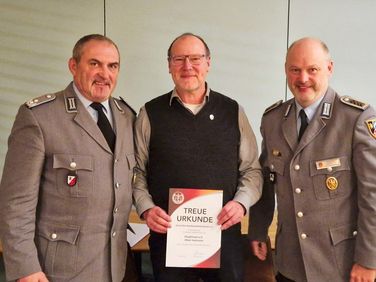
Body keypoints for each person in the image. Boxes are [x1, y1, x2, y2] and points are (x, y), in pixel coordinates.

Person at [0, 34, 138, 282]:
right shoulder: (40, 117)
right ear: (73, 66)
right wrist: (25, 268)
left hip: (117, 267)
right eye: (94, 63)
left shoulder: (127, 117)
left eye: (112, 66)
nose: (104, 74)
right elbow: (15, 203)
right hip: (58, 270)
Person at [132, 32, 263, 282]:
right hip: (169, 242)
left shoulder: (233, 111)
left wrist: (241, 203)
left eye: (195, 58)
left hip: (224, 240)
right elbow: (137, 172)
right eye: (179, 59)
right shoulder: (149, 113)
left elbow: (252, 170)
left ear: (208, 63)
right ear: (169, 65)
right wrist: (146, 209)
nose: (187, 66)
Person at [248, 37, 376, 282]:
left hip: (341, 265)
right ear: (286, 71)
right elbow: (266, 179)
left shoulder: (355, 119)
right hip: (290, 262)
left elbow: (373, 195)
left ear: (329, 68)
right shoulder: (273, 120)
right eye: (295, 70)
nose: (302, 78)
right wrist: (257, 229)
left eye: (312, 69)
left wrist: (369, 260)